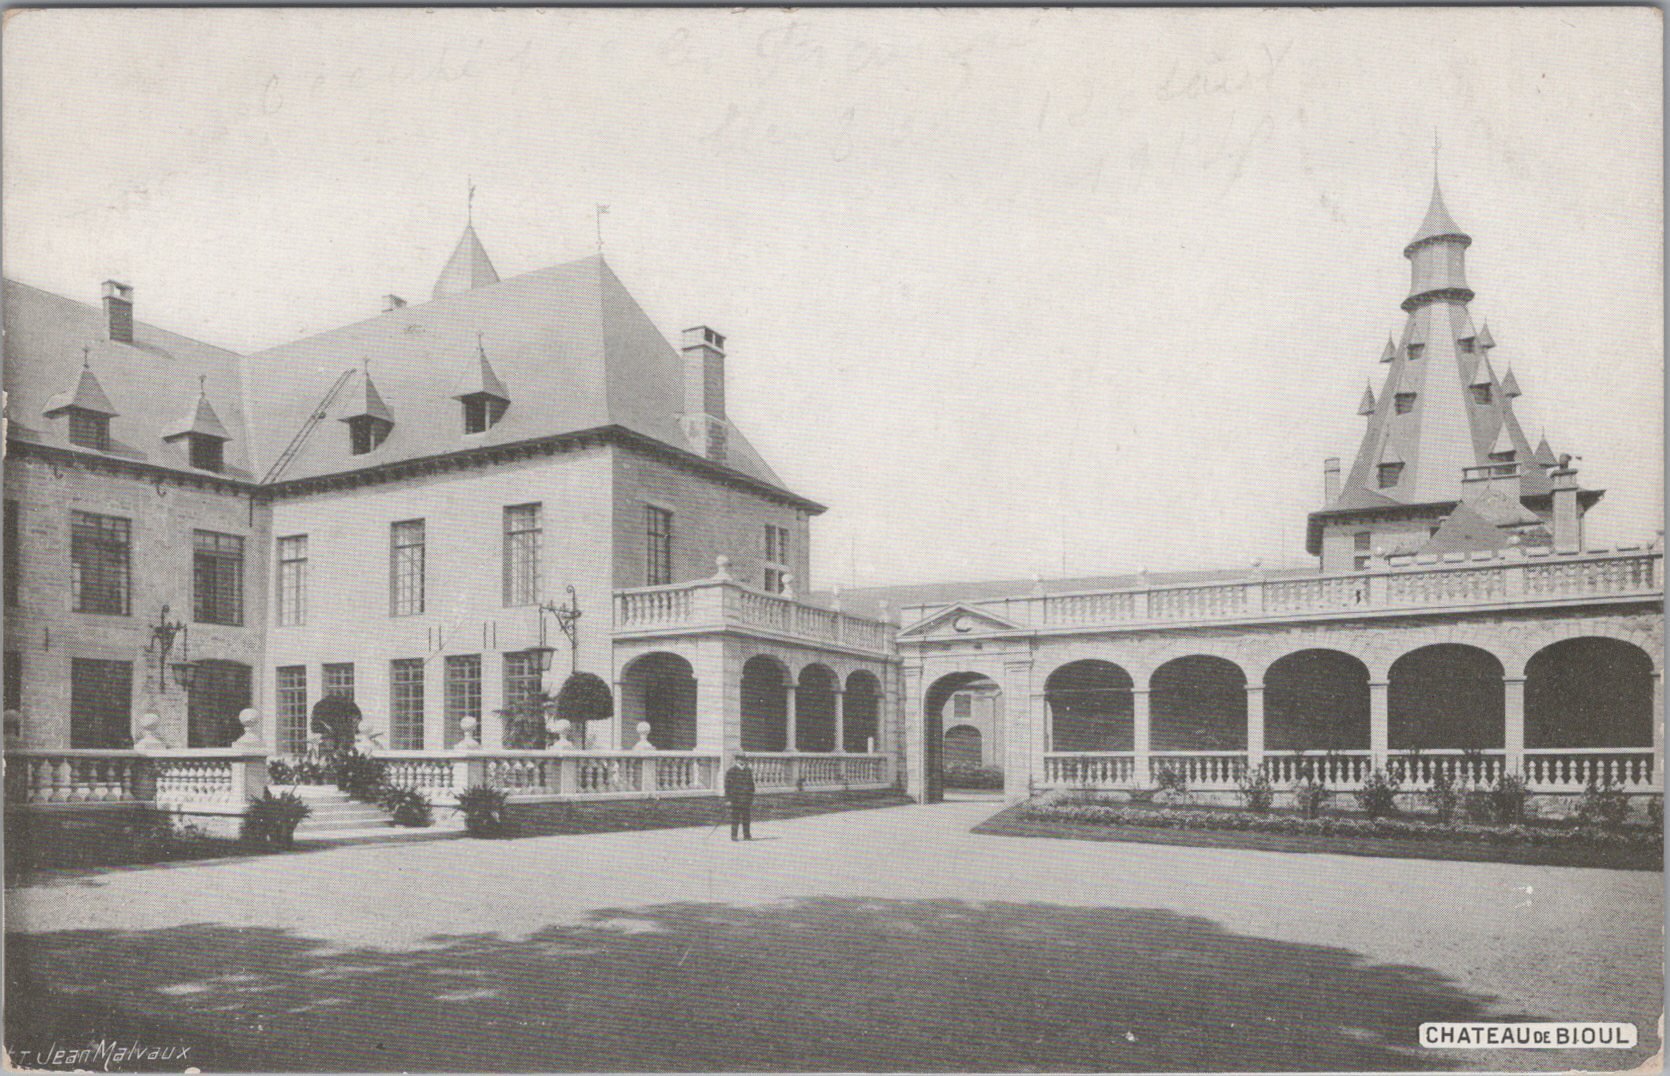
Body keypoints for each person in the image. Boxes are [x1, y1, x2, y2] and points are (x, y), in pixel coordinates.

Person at [723, 754, 756, 841]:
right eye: (740, 759)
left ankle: (747, 835)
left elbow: (752, 785)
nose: (742, 761)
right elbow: (727, 786)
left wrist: (751, 796)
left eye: (743, 759)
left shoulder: (748, 770)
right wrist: (728, 799)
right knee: (735, 818)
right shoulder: (731, 771)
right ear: (736, 760)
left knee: (746, 818)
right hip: (736, 799)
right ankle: (734, 836)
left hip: (746, 799)